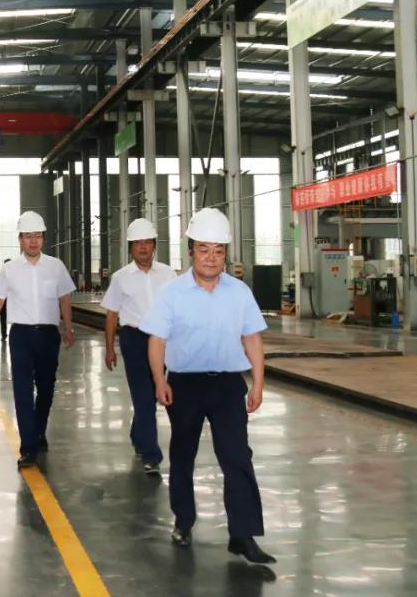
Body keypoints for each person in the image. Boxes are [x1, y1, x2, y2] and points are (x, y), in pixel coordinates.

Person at [140, 208, 275, 565]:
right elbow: (156, 341)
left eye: (218, 250)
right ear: (191, 252)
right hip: (184, 386)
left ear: (225, 254)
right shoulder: (172, 293)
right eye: (204, 249)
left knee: (237, 457)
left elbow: (252, 338)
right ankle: (183, 521)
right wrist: (159, 380)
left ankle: (243, 535)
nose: (211, 257)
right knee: (182, 455)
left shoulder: (240, 292)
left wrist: (258, 383)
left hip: (228, 386)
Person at [0, 211, 75, 468]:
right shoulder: (10, 269)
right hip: (20, 336)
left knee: (46, 388)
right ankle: (28, 447)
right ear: (20, 240)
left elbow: (64, 298)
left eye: (37, 236)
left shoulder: (55, 266)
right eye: (28, 236)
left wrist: (68, 327)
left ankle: (38, 430)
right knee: (22, 390)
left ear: (43, 238)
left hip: (48, 336)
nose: (33, 241)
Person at [101, 218, 176, 476]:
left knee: (153, 392)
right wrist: (109, 348)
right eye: (138, 243)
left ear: (154, 245)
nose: (143, 247)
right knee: (143, 394)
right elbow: (112, 314)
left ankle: (137, 433)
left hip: (162, 339)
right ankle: (151, 454)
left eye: (147, 242)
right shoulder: (121, 278)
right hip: (133, 339)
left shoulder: (168, 275)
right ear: (130, 247)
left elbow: (177, 309)